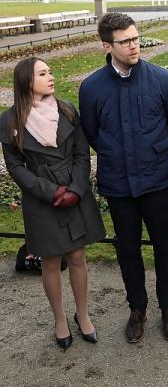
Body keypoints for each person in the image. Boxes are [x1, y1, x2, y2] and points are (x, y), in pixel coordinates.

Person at [79, 12, 168, 344]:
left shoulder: (161, 79)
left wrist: (155, 151)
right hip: (119, 184)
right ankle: (137, 308)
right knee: (127, 250)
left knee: (164, 247)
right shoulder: (92, 87)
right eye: (125, 41)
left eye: (136, 38)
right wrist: (115, 154)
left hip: (157, 180)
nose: (133, 46)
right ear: (107, 45)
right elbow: (92, 133)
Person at [0, 57, 106, 349]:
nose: (51, 76)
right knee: (50, 261)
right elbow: (16, 167)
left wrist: (76, 188)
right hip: (41, 199)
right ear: (27, 81)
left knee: (77, 257)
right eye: (43, 73)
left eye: (51, 71)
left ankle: (82, 315)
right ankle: (60, 319)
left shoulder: (67, 110)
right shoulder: (9, 121)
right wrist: (50, 192)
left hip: (75, 193)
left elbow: (83, 154)